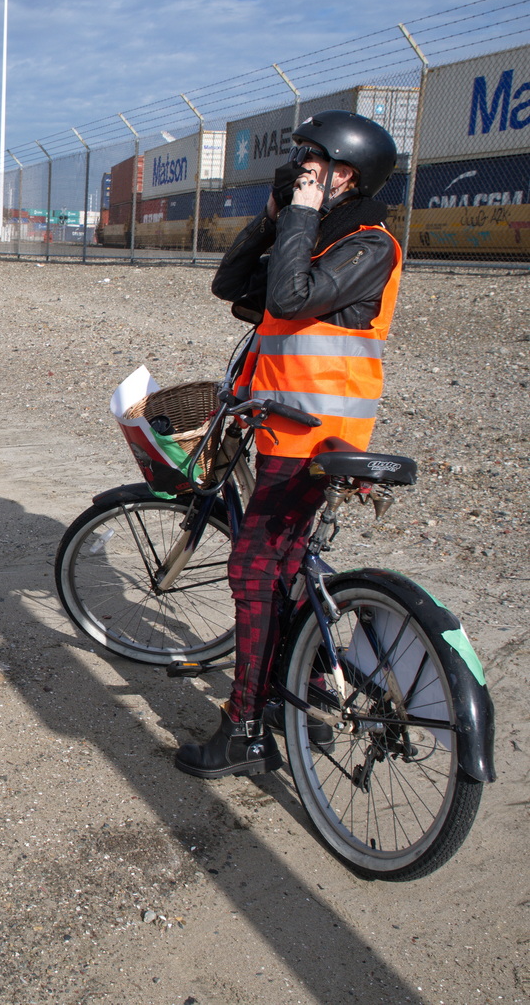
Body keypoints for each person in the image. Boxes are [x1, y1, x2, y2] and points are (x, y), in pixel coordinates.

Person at [175, 110, 402, 779]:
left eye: (313, 164)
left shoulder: (369, 245)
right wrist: (276, 216)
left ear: (347, 176)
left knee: (252, 570)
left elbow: (293, 297)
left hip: (318, 440)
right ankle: (294, 693)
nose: (299, 171)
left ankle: (244, 727)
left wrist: (300, 216)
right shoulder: (317, 237)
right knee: (284, 568)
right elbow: (232, 286)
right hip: (282, 430)